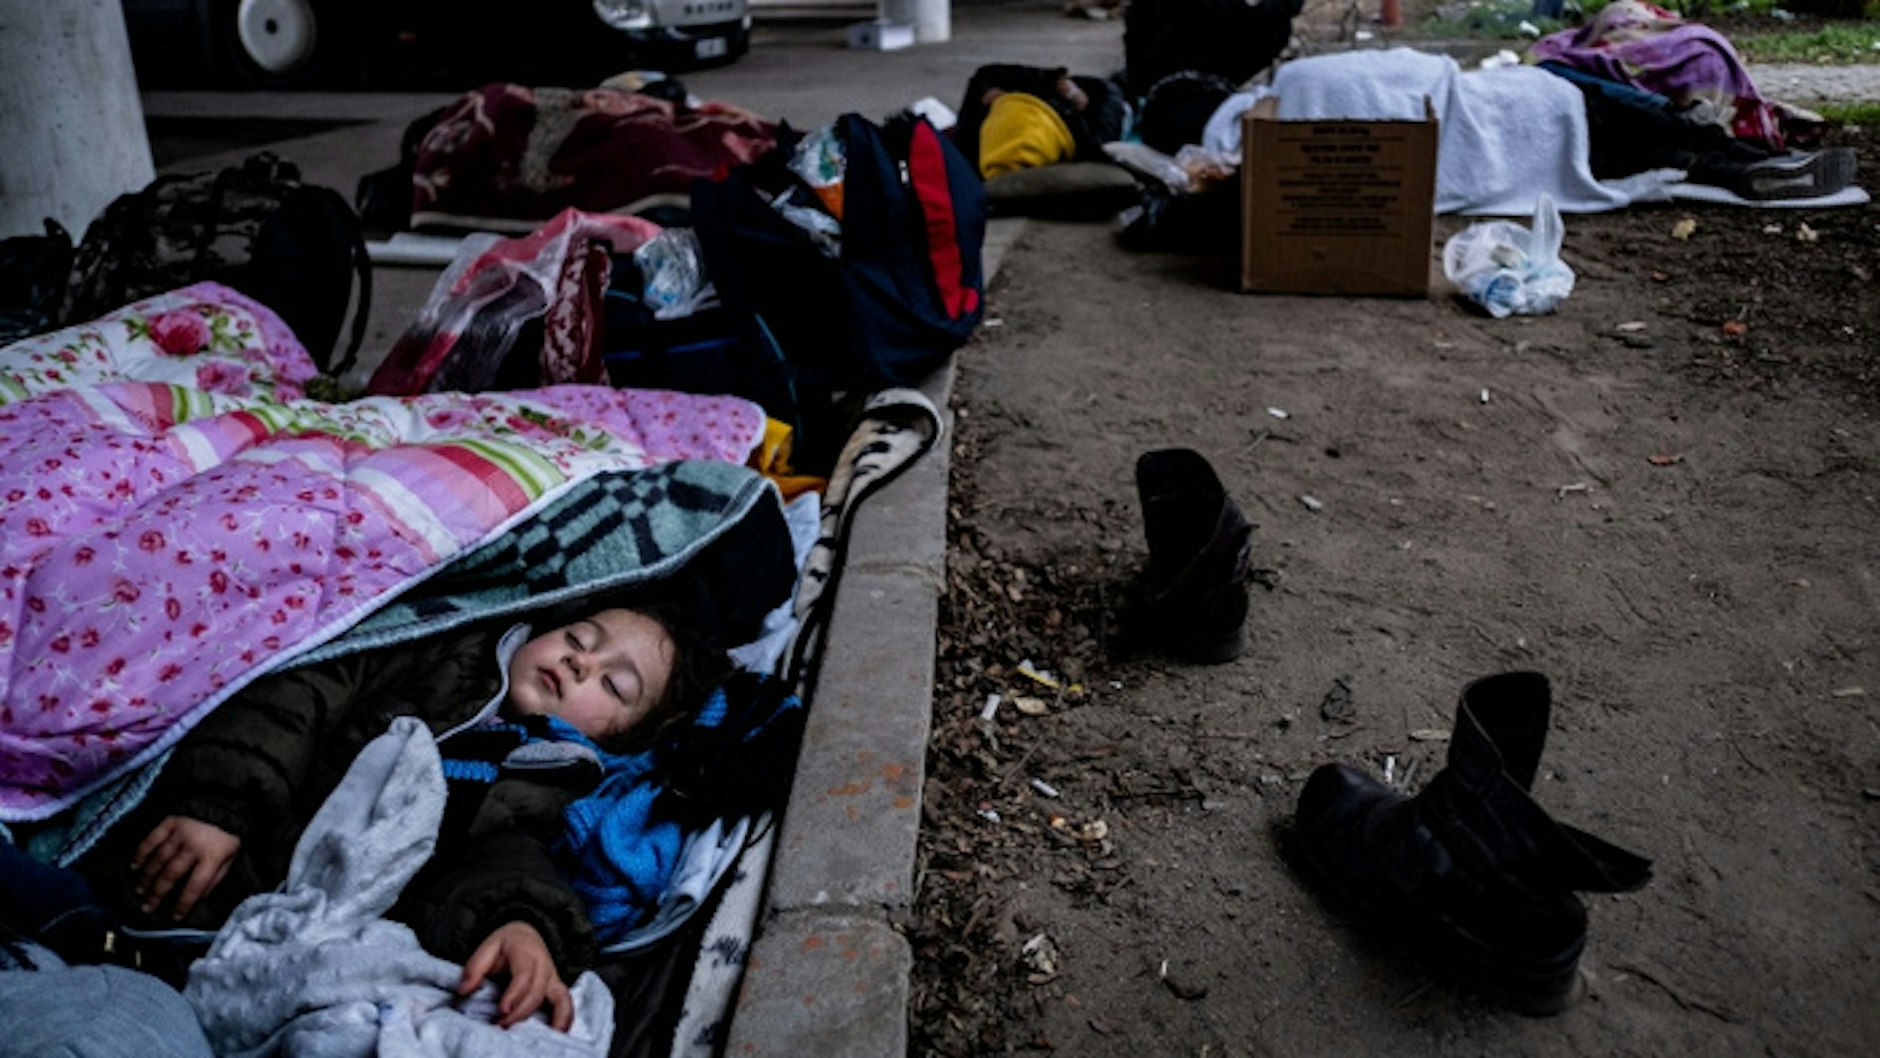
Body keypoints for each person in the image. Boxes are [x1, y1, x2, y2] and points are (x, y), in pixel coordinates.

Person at [65, 597, 731, 1031]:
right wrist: (220, 804)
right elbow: (304, 691)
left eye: (614, 684)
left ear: (617, 742)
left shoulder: (542, 780)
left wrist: (521, 925)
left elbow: (497, 858)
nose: (582, 662)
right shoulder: (444, 648)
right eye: (580, 636)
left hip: (231, 948)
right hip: (180, 844)